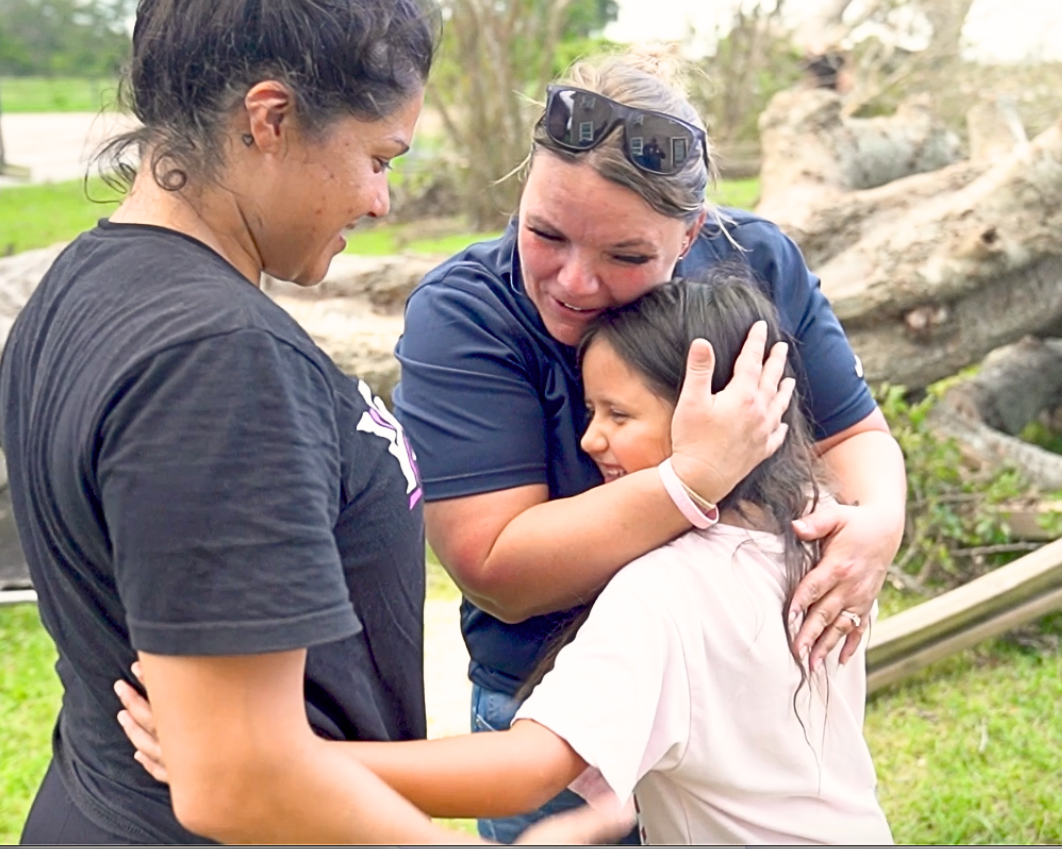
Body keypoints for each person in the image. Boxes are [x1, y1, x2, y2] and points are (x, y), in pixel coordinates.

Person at [0, 0, 623, 844]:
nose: (380, 199)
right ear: (271, 118)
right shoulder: (215, 359)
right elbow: (239, 782)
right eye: (377, 159)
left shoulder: (87, 282)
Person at [116, 276, 894, 844]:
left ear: (725, 411)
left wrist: (282, 765)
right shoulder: (818, 546)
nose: (589, 442)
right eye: (590, 411)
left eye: (617, 415)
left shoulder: (665, 589)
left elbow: (525, 770)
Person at [392, 51, 908, 841]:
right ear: (520, 190)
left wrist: (880, 523)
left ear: (692, 234)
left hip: (728, 687)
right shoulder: (466, 316)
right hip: (552, 688)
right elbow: (495, 568)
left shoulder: (756, 262)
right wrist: (690, 479)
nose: (574, 281)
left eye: (625, 256)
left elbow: (853, 435)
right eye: (545, 234)